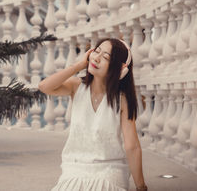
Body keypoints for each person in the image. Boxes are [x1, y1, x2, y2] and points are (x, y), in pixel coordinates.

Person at [38, 38, 147, 191]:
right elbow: (44, 86)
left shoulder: (122, 99)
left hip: (110, 169)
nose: (96, 58)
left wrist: (141, 186)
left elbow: (132, 146)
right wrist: (79, 65)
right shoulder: (76, 86)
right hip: (75, 168)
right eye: (96, 51)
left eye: (106, 57)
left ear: (120, 69)